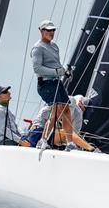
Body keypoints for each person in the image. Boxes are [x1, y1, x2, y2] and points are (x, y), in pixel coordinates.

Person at [31, 20, 76, 150]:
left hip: (56, 82)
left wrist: (65, 72)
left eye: (53, 30)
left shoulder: (54, 46)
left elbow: (56, 63)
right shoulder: (37, 48)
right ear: (42, 31)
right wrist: (55, 72)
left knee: (66, 110)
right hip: (45, 84)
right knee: (56, 111)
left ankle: (69, 143)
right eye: (49, 30)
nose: (51, 32)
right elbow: (37, 69)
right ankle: (43, 140)